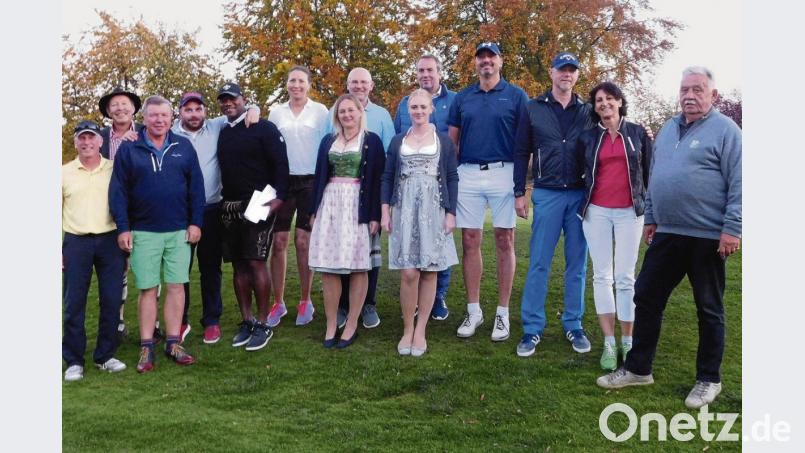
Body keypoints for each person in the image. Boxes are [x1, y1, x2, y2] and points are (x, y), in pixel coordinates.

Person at [597, 66, 741, 410]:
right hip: (668, 233)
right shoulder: (668, 128)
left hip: (707, 236)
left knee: (709, 309)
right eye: (684, 90)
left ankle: (709, 379)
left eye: (698, 89)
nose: (689, 96)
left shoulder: (727, 131)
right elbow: (656, 175)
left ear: (713, 95)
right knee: (646, 296)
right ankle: (638, 369)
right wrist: (653, 217)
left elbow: (740, 182)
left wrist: (732, 228)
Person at [109, 95, 205, 373]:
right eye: (154, 116)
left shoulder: (183, 147)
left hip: (178, 231)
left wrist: (195, 222)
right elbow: (118, 192)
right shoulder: (130, 150)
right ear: (145, 118)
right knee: (148, 288)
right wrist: (123, 227)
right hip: (143, 231)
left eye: (164, 115)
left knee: (176, 287)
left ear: (171, 118)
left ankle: (173, 342)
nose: (159, 120)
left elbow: (196, 188)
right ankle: (146, 345)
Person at [513, 52, 595, 357]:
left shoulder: (588, 110)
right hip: (546, 194)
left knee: (577, 264)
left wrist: (644, 135)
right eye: (562, 69)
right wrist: (518, 191)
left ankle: (573, 323)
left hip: (578, 195)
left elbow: (613, 128)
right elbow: (521, 151)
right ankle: (532, 329)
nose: (567, 75)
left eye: (572, 71)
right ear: (552, 72)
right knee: (538, 262)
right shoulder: (533, 108)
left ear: (576, 76)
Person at [447, 42, 529, 342]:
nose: (486, 61)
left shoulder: (516, 95)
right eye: (481, 57)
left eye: (491, 56)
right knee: (470, 239)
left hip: (504, 172)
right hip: (468, 172)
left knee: (504, 239)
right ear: (476, 63)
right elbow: (452, 142)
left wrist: (521, 187)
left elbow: (524, 145)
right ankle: (474, 309)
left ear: (500, 61)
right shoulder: (463, 97)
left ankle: (502, 313)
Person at [171, 91, 260, 344]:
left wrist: (254, 109)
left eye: (198, 109)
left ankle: (211, 321)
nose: (194, 114)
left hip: (211, 209)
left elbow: (242, 110)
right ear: (180, 113)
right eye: (188, 110)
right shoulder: (171, 133)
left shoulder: (216, 126)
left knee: (211, 267)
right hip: (181, 211)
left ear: (205, 112)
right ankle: (181, 319)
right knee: (180, 270)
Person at [576, 82, 652, 370]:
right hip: (596, 213)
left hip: (629, 214)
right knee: (601, 276)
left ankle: (627, 341)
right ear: (594, 107)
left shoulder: (638, 134)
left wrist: (650, 212)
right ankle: (608, 342)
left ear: (620, 101)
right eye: (598, 100)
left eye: (609, 98)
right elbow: (581, 173)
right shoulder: (588, 138)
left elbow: (649, 174)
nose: (604, 104)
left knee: (625, 277)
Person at [382, 88, 459, 356]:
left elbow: (451, 176)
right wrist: (385, 210)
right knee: (409, 272)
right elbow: (388, 176)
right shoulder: (397, 141)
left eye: (422, 107)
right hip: (404, 208)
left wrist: (451, 213)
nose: (418, 111)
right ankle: (406, 328)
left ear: (431, 109)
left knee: (429, 271)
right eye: (413, 107)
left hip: (434, 207)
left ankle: (421, 330)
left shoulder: (443, 140)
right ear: (407, 110)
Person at [216, 82, 289, 352]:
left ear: (243, 99)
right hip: (230, 205)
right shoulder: (222, 131)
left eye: (232, 99)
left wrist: (279, 199)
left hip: (259, 202)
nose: (228, 104)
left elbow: (281, 165)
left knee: (256, 261)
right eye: (223, 100)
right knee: (238, 265)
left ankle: (263, 322)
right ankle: (246, 320)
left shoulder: (264, 128)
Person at [309, 94, 385, 349]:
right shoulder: (328, 141)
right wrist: (314, 209)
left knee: (359, 266)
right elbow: (320, 175)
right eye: (342, 111)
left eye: (351, 110)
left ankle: (352, 322)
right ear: (337, 115)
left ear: (360, 112)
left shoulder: (371, 141)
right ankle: (332, 323)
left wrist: (375, 214)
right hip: (331, 203)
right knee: (328, 267)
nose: (347, 115)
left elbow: (377, 180)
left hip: (358, 206)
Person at [328, 67, 395, 330]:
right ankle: (343, 305)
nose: (358, 86)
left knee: (368, 252)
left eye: (363, 82)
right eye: (353, 82)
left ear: (371, 85)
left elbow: (387, 157)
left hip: (367, 194)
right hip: (338, 198)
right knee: (343, 251)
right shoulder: (336, 111)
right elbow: (328, 147)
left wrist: (382, 204)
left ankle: (368, 304)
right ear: (347, 84)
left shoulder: (381, 116)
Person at [393, 54, 457, 321]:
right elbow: (397, 143)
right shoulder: (404, 104)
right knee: (413, 242)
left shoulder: (454, 101)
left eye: (430, 69)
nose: (425, 74)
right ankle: (414, 298)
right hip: (409, 189)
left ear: (439, 72)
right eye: (420, 70)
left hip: (439, 180)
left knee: (438, 240)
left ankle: (437, 295)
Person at [62, 120, 128, 381]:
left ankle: (105, 355)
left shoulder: (114, 169)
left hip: (110, 240)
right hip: (76, 242)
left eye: (91, 138)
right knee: (73, 303)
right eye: (82, 138)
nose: (87, 142)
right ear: (76, 142)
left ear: (101, 141)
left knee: (111, 300)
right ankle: (74, 360)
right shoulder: (63, 172)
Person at [266, 66, 329, 328]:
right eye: (292, 80)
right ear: (287, 84)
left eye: (301, 81)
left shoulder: (321, 111)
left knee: (303, 241)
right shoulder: (276, 112)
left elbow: (327, 145)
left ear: (309, 85)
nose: (296, 85)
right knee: (278, 241)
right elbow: (269, 146)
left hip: (310, 181)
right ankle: (278, 302)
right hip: (283, 182)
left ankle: (305, 300)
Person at [97, 87, 151, 343]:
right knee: (118, 266)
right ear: (108, 111)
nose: (120, 108)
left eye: (124, 104)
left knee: (147, 264)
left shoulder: (146, 131)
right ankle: (117, 321)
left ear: (134, 108)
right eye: (114, 105)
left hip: (142, 207)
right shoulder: (98, 137)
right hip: (107, 210)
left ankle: (153, 321)